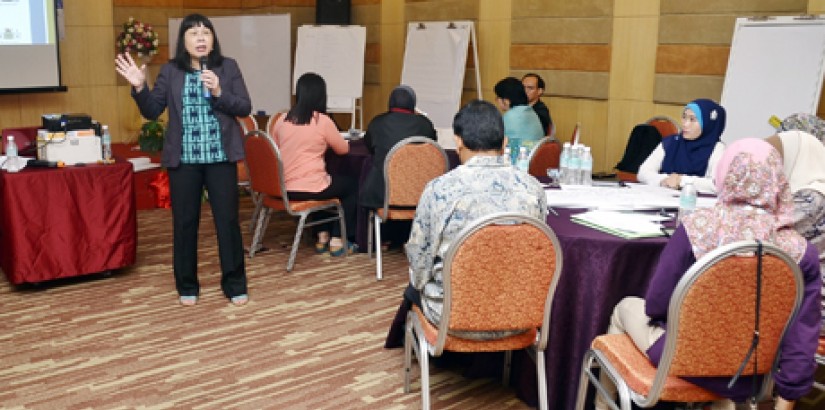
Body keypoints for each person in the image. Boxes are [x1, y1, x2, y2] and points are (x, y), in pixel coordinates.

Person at [598, 138, 821, 410]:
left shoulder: (696, 228)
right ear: (777, 179)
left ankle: (604, 404)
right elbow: (801, 339)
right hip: (750, 375)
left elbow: (657, 304)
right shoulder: (799, 251)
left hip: (683, 359)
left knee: (624, 309)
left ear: (725, 174)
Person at [115, 14, 250, 307]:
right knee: (185, 223)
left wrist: (219, 92)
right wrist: (140, 87)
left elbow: (244, 106)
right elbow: (152, 110)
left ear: (213, 38)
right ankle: (187, 285)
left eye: (206, 33)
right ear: (183, 41)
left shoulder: (227, 67)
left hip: (220, 157)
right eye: (193, 33)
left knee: (227, 222)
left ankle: (235, 283)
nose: (201, 38)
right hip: (185, 160)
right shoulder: (171, 71)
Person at [402, 99, 548, 340]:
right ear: (504, 142)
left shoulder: (440, 190)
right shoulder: (533, 189)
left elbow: (419, 264)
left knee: (414, 288)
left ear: (457, 140)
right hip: (519, 316)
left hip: (452, 315)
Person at [270, 72, 357, 256]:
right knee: (350, 186)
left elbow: (275, 150)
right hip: (311, 187)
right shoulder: (323, 121)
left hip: (284, 188)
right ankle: (337, 240)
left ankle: (321, 236)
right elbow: (343, 150)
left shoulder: (281, 120)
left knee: (324, 182)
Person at [765, 129, 825, 335]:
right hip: (801, 284)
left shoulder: (813, 198)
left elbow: (763, 233)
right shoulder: (806, 189)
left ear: (798, 158)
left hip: (813, 300)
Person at [359, 85, 437, 210]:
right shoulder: (425, 124)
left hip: (384, 194)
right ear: (413, 103)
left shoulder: (377, 123)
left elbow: (369, 146)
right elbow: (432, 146)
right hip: (419, 192)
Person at [637, 98, 726, 193]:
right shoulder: (671, 142)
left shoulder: (718, 149)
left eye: (692, 120)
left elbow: (716, 184)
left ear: (708, 124)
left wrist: (681, 180)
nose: (685, 124)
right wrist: (664, 180)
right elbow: (643, 172)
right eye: (684, 117)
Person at [494, 77, 544, 164]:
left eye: (497, 97)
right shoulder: (532, 112)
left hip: (517, 163)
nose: (496, 101)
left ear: (506, 101)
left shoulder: (509, 117)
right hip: (536, 163)